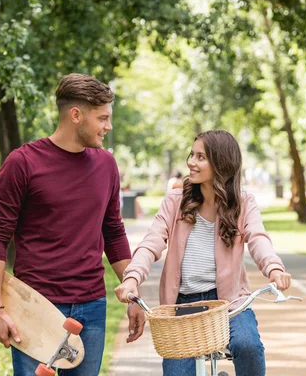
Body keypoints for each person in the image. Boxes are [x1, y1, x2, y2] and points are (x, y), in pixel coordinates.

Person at [0, 73, 143, 376]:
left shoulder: (106, 165)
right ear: (76, 115)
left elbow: (114, 232)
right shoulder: (23, 163)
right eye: (103, 118)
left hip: (92, 308)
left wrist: (134, 293)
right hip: (35, 305)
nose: (108, 127)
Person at [115, 130, 291, 376]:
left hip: (230, 303)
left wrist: (274, 268)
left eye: (200, 157)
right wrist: (132, 278)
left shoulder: (243, 203)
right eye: (192, 155)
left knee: (248, 346)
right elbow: (151, 242)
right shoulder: (176, 200)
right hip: (181, 306)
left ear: (221, 164)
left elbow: (258, 239)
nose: (191, 162)